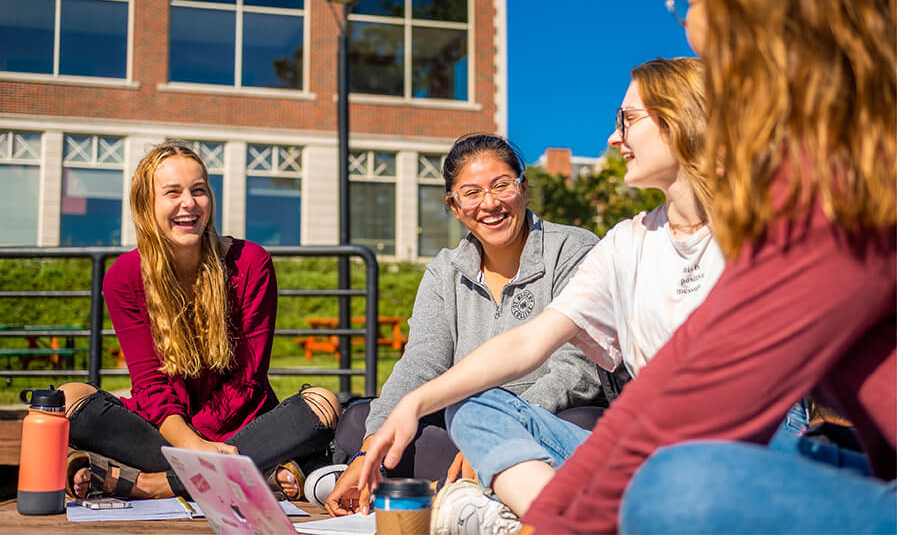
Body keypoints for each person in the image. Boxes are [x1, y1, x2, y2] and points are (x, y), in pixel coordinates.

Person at [529, 0, 896, 532]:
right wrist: (551, 519)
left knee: (678, 488)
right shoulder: (815, 170)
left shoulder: (851, 181)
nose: (687, 23)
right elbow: (673, 377)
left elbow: (694, 411)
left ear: (758, 1)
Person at [360, 57, 727, 531]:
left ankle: (549, 512)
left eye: (628, 120)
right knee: (470, 408)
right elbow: (528, 342)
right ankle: (560, 517)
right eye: (470, 194)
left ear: (683, 121)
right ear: (453, 205)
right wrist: (409, 406)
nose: (614, 139)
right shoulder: (627, 242)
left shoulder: (757, 232)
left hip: (733, 448)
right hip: (646, 454)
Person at [325, 134, 604, 516]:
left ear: (522, 188)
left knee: (588, 423)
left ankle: (478, 486)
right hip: (460, 424)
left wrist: (498, 432)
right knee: (360, 421)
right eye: (471, 193)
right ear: (454, 206)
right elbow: (421, 363)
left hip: (549, 418)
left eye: (501, 185)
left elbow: (578, 370)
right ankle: (469, 489)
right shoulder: (444, 272)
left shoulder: (572, 249)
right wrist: (369, 447)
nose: (489, 203)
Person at [59, 142, 341, 501]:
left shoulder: (251, 263)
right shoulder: (124, 277)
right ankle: (254, 474)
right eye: (172, 193)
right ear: (146, 205)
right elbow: (150, 386)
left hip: (241, 425)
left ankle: (154, 484)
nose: (189, 203)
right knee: (65, 400)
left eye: (199, 190)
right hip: (167, 428)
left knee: (322, 404)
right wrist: (193, 445)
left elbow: (246, 382)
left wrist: (201, 448)